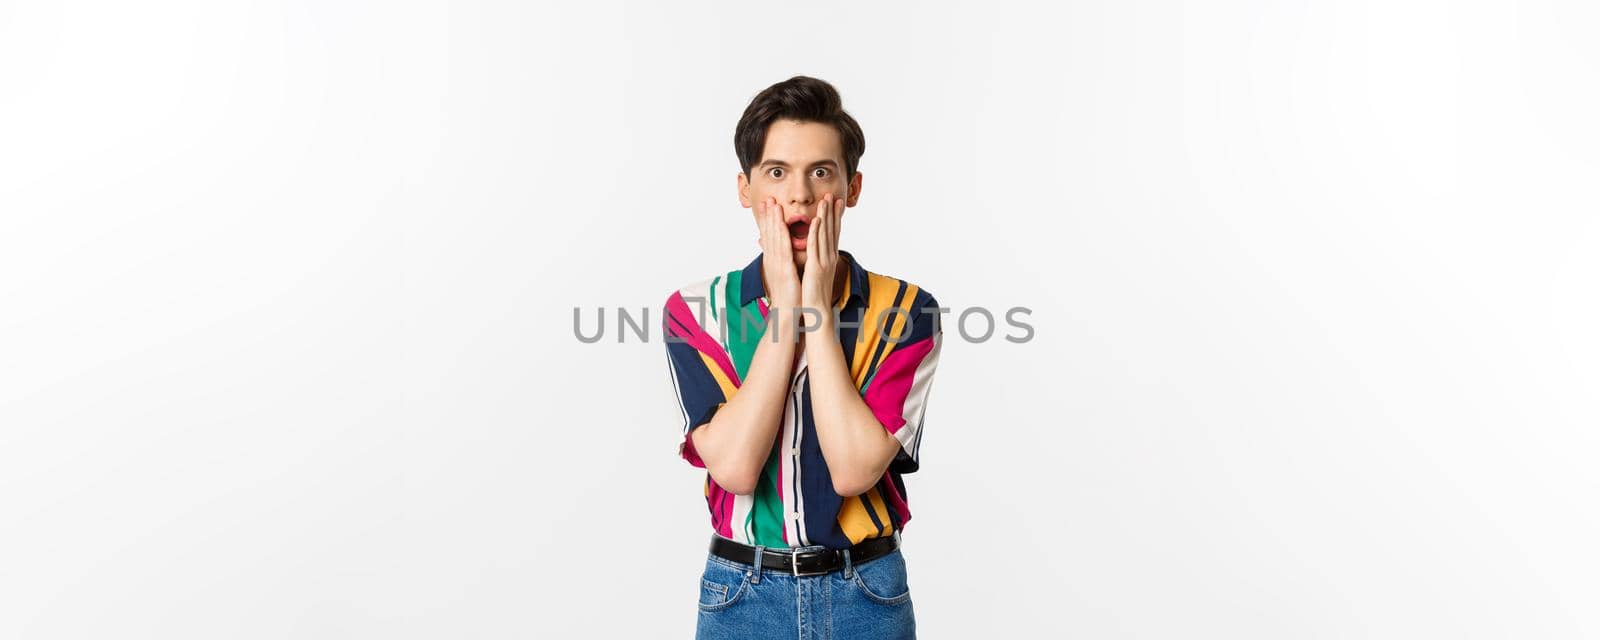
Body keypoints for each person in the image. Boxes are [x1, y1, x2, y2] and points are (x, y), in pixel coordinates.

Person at [662, 75, 944, 640]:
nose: (799, 195)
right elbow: (736, 468)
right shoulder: (696, 313)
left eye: (821, 172)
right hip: (741, 594)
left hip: (867, 592)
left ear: (852, 187)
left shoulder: (907, 311)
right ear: (745, 189)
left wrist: (815, 305)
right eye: (776, 172)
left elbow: (854, 469)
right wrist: (785, 312)